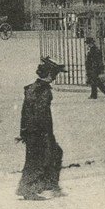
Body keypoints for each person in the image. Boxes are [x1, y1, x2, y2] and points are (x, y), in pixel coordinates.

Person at [16, 57, 66, 201]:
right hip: (39, 132)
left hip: (33, 130)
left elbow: (26, 112)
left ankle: (49, 185)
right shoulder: (43, 91)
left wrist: (24, 131)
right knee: (38, 159)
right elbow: (39, 114)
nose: (55, 78)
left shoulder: (33, 88)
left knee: (53, 153)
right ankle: (28, 189)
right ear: (50, 75)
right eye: (54, 75)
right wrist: (41, 134)